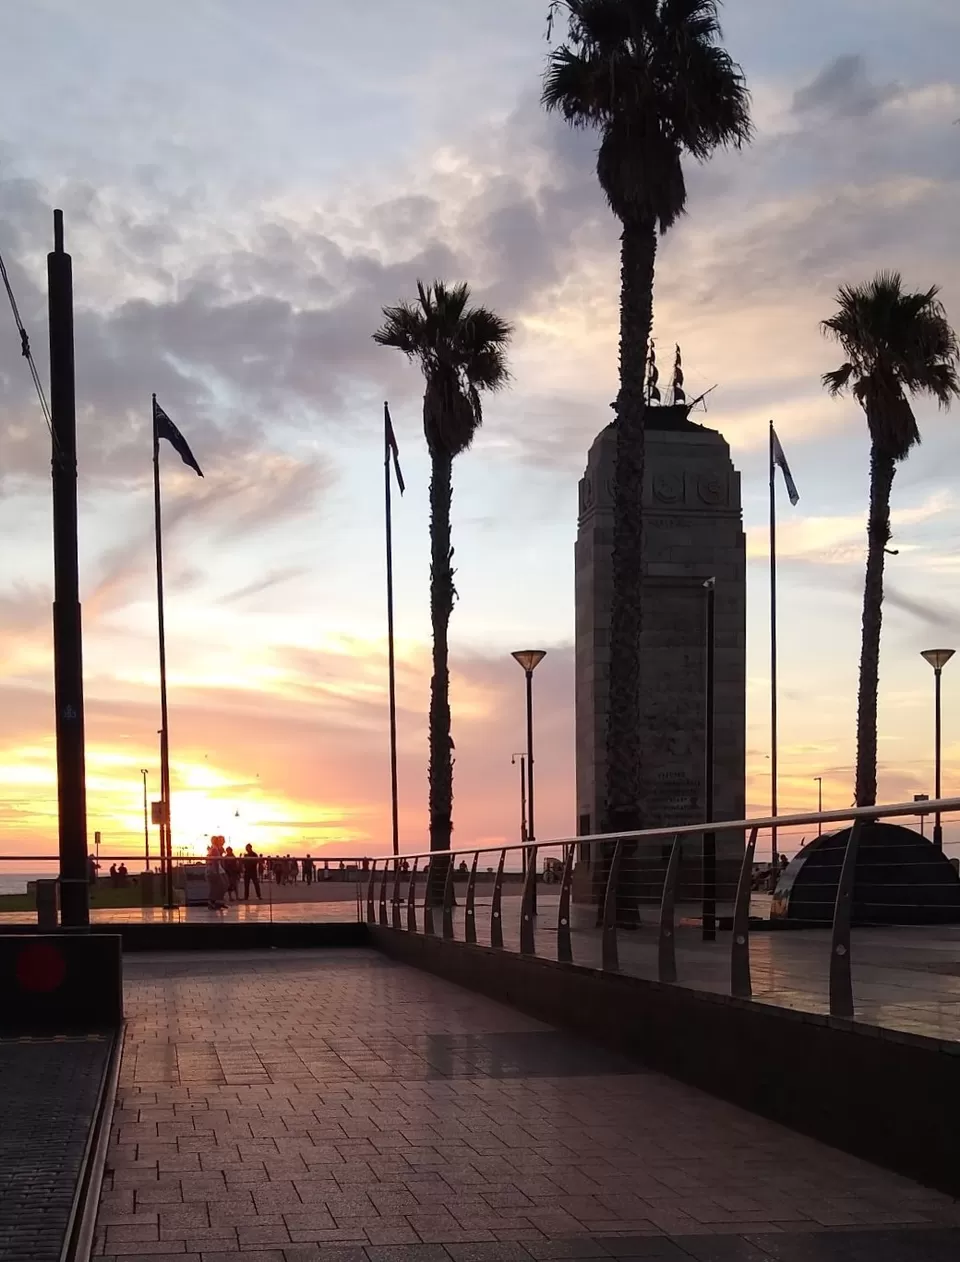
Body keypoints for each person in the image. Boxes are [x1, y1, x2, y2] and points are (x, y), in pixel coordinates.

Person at [206, 839, 226, 911]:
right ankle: (213, 902)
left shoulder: (214, 848)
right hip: (214, 870)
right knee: (218, 886)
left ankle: (216, 902)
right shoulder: (214, 849)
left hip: (215, 870)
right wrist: (217, 872)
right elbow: (216, 861)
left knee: (219, 886)